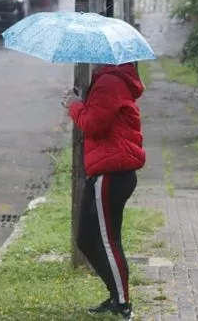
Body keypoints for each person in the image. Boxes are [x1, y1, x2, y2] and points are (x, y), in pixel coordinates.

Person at [62, 62, 146, 319]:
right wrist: (82, 101)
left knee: (108, 242)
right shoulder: (109, 81)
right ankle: (115, 295)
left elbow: (94, 124)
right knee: (86, 239)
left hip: (111, 173)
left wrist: (74, 105)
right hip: (107, 171)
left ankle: (122, 304)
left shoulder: (110, 82)